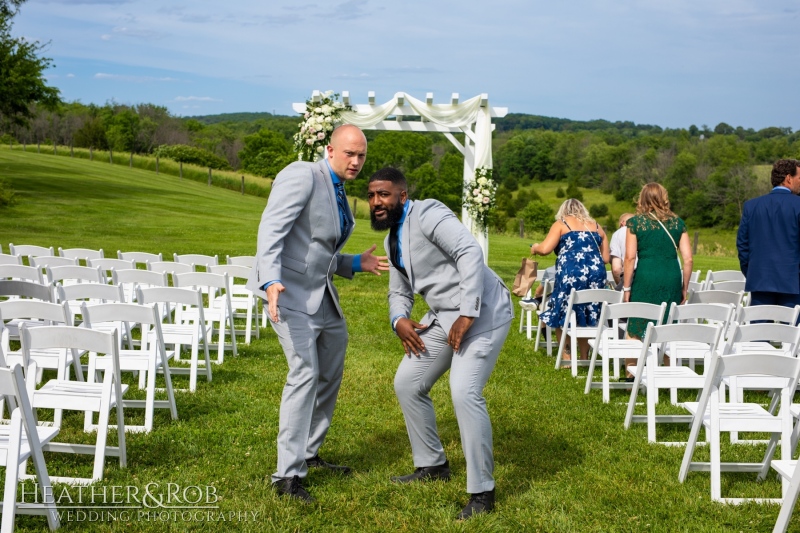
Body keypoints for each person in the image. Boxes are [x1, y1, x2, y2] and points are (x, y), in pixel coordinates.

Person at [246, 124, 389, 502]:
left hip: (322, 297)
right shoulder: (302, 175)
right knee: (304, 375)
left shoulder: (339, 189)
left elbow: (317, 250)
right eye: (349, 154)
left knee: (329, 373)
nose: (356, 161)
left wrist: (355, 262)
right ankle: (287, 476)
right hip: (288, 294)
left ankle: (308, 452)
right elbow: (271, 229)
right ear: (329, 149)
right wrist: (269, 280)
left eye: (361, 155)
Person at [367, 167, 513, 520]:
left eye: (384, 194)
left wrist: (468, 313)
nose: (376, 202)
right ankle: (432, 465)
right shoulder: (391, 240)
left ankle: (482, 492)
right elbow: (399, 290)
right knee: (407, 382)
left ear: (402, 196)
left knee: (464, 391)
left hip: (484, 313)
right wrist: (398, 318)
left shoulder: (429, 213)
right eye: (371, 196)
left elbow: (469, 252)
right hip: (446, 319)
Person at [531, 199, 610, 361]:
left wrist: (535, 247)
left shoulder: (562, 224)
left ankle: (567, 357)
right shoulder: (596, 226)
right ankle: (584, 356)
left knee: (563, 311)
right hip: (596, 274)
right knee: (588, 313)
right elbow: (606, 258)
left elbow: (545, 249)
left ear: (563, 211)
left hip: (570, 273)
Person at [622, 183, 693, 340]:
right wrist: (684, 288)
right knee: (668, 323)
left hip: (645, 276)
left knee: (638, 319)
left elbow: (630, 258)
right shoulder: (678, 223)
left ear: (642, 199)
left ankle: (632, 364)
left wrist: (626, 288)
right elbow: (688, 259)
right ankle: (667, 362)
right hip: (671, 276)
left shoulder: (635, 223)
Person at [737, 158, 800, 308]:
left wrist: (752, 271)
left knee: (760, 331)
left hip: (760, 280)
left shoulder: (751, 206)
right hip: (794, 283)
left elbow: (742, 245)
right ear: (788, 178)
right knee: (792, 331)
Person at [609, 213, 634, 289]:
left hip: (628, 278)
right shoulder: (644, 232)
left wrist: (620, 285)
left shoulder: (617, 234)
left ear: (622, 223)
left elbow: (616, 269)